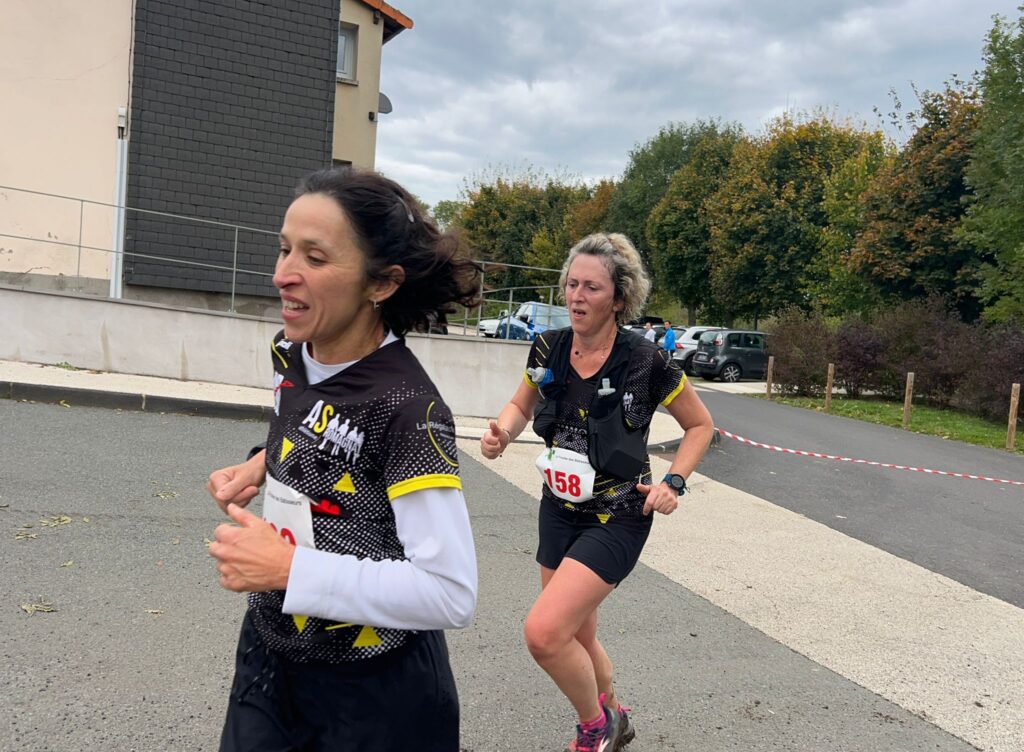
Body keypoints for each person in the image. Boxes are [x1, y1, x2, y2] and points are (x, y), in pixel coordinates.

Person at [207, 168, 481, 752]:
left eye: (315, 257)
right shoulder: (292, 349)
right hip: (270, 655)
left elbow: (450, 593)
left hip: (376, 697)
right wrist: (260, 464)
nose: (283, 274)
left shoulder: (410, 408)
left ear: (380, 284)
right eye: (284, 250)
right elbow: (303, 420)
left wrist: (288, 572)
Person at [479, 233, 714, 752]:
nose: (575, 296)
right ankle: (615, 712)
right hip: (557, 508)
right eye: (571, 284)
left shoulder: (646, 361)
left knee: (544, 633)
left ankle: (595, 728)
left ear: (619, 298)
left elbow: (701, 426)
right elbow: (521, 405)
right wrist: (501, 433)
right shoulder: (549, 347)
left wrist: (673, 481)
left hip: (619, 514)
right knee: (578, 634)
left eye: (591, 287)